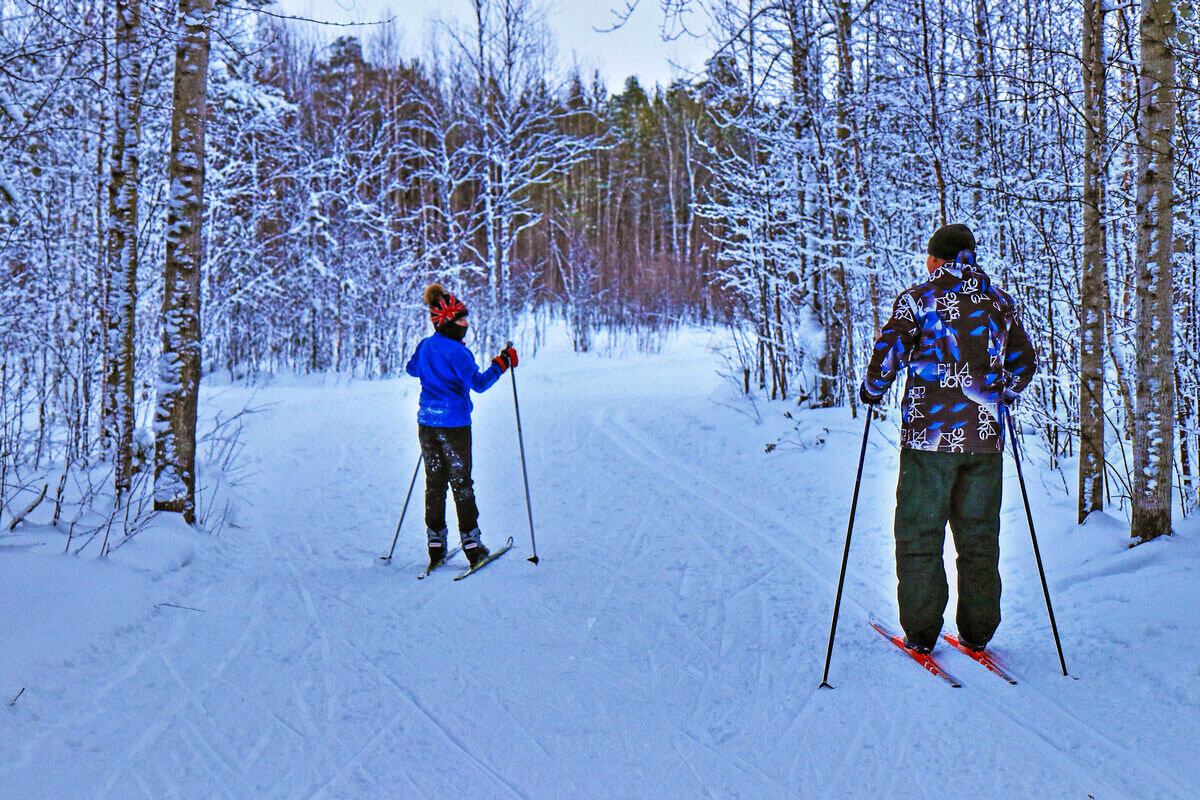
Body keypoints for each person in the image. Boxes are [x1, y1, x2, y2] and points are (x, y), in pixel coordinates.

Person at [858, 223, 1037, 655]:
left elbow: (888, 354)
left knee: (920, 534)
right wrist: (1000, 395)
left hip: (928, 442)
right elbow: (1024, 361)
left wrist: (872, 390)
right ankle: (978, 632)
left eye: (928, 255)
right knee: (979, 538)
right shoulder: (1000, 303)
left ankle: (921, 633)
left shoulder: (917, 301)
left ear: (937, 258)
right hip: (985, 442)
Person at [405, 284, 517, 569]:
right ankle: (472, 545)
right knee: (461, 484)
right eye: (461, 318)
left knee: (435, 484)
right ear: (446, 321)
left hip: (427, 424)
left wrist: (432, 370)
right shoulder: (458, 352)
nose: (466, 323)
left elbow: (411, 369)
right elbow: (479, 384)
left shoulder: (426, 345)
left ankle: (435, 544)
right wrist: (502, 363)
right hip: (454, 426)